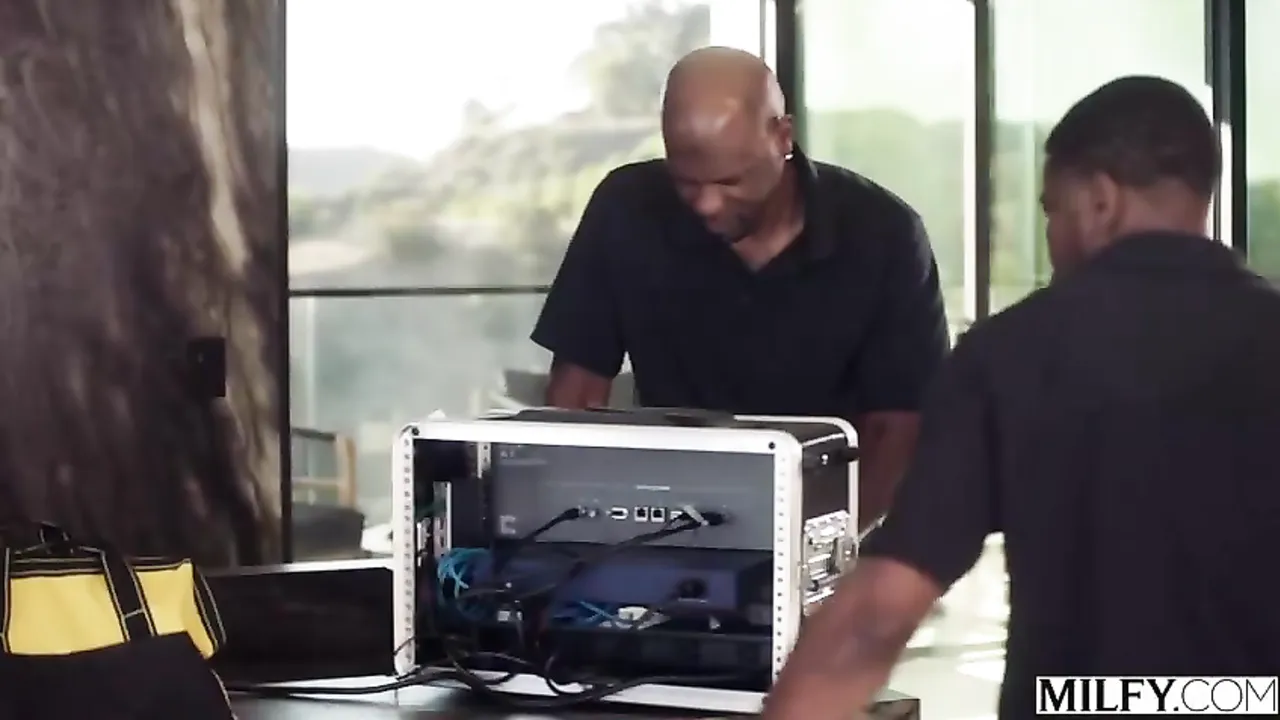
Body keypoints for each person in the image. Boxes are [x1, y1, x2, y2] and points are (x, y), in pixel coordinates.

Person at [761, 75, 1280, 720]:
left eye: (1052, 211)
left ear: (1100, 200)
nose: (1052, 236)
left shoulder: (1010, 355)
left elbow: (879, 615)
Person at [531, 47, 950, 528]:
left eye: (730, 181)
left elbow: (898, 431)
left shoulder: (883, 233)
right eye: (687, 182)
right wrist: (576, 524)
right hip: (667, 516)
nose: (707, 204)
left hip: (832, 514)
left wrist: (826, 545)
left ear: (782, 136)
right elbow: (576, 395)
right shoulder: (626, 209)